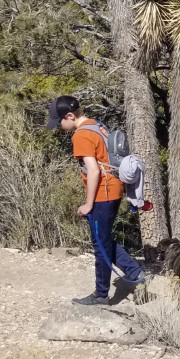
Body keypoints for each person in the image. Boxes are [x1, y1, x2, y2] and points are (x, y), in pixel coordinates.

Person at [47, 95, 146, 305]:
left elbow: (93, 171)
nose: (58, 127)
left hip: (103, 193)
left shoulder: (81, 136)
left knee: (100, 243)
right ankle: (133, 271)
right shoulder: (97, 125)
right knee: (102, 238)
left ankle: (101, 294)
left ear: (70, 116)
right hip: (115, 188)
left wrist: (88, 203)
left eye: (59, 122)